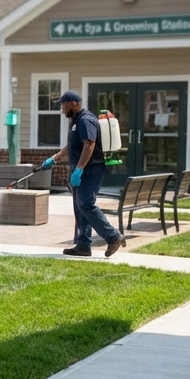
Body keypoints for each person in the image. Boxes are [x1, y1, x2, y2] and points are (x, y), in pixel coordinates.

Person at [40, 90, 126, 257]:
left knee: (86, 204)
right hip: (81, 169)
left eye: (63, 105)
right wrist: (56, 157)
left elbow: (89, 144)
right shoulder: (76, 120)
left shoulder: (85, 120)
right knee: (80, 207)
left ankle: (113, 236)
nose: (61, 109)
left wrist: (79, 169)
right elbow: (74, 144)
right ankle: (83, 245)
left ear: (74, 103)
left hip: (91, 169)